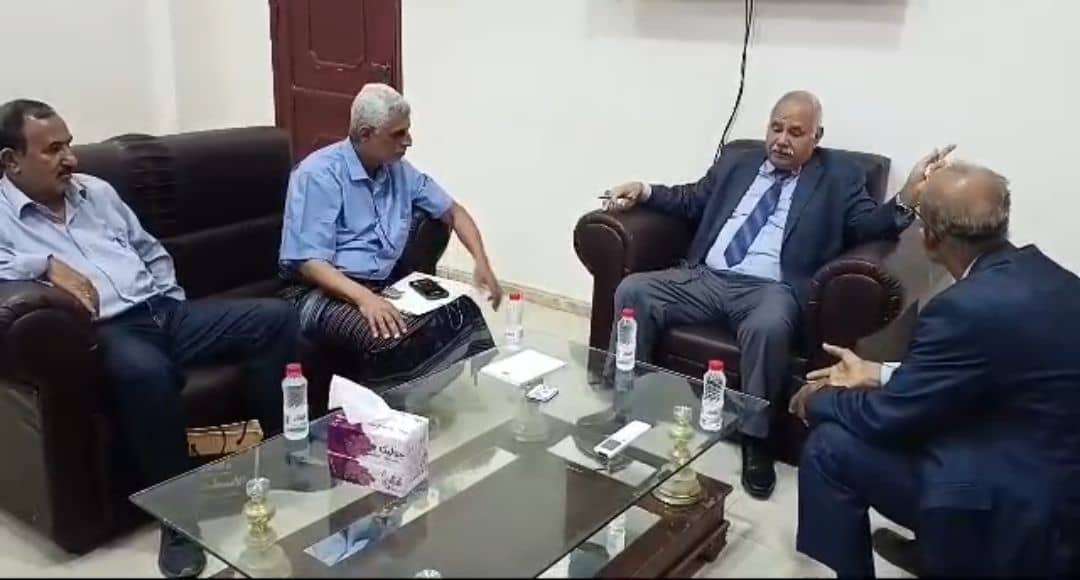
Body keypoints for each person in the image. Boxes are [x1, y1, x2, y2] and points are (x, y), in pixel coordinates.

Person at [0, 100, 299, 578]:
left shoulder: (96, 191)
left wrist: (169, 297)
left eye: (69, 145)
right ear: (11, 161)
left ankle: (277, 460)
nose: (70, 158)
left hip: (165, 311)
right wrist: (46, 264)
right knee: (147, 373)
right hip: (108, 330)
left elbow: (148, 248)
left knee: (276, 318)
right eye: (53, 150)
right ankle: (178, 520)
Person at [603, 90, 951, 499]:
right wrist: (644, 190)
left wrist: (907, 196)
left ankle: (756, 439)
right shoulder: (738, 162)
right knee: (634, 290)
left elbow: (869, 227)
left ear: (816, 137)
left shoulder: (839, 177)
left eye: (795, 132)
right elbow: (692, 199)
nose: (782, 140)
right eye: (776, 128)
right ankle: (626, 403)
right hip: (705, 277)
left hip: (770, 290)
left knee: (768, 327)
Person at [790, 162, 1080, 577]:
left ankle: (944, 548)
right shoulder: (1052, 276)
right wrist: (879, 373)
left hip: (1018, 513)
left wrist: (819, 400)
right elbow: (990, 374)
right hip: (1052, 476)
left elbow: (886, 418)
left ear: (929, 237)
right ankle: (933, 547)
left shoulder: (962, 308)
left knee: (828, 447)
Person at [279, 83, 501, 390]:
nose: (408, 141)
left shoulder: (398, 170)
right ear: (365, 134)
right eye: (398, 134)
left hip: (380, 283)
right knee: (390, 337)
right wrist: (365, 299)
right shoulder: (319, 174)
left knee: (462, 310)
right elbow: (310, 263)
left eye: (407, 131)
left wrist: (481, 262)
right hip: (316, 292)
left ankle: (419, 399)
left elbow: (454, 212)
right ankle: (379, 410)